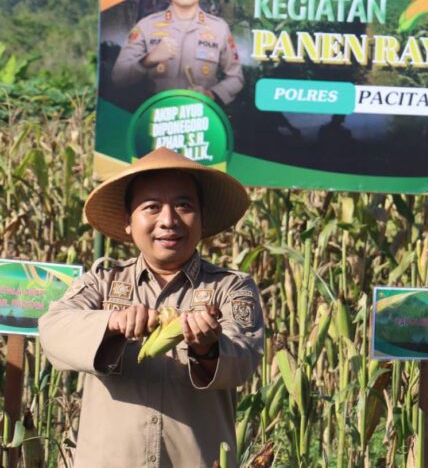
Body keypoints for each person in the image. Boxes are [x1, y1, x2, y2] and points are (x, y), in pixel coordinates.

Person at [39, 147, 263, 467]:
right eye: (151, 207)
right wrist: (113, 323)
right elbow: (52, 331)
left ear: (201, 218)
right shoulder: (102, 282)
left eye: (184, 205)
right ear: (128, 222)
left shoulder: (231, 287)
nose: (168, 220)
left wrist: (208, 348)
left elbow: (244, 360)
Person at [112, 0, 244, 105]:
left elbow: (236, 78)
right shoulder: (146, 26)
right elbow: (118, 78)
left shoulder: (219, 29)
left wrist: (211, 94)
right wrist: (148, 60)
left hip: (200, 119)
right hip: (155, 119)